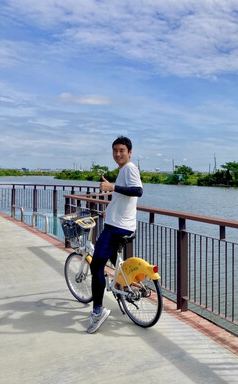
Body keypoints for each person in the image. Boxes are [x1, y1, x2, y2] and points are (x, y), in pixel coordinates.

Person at [87, 136, 143, 334]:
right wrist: (110, 208)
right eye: (115, 150)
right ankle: (126, 284)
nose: (118, 154)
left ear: (130, 152)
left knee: (96, 266)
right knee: (112, 259)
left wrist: (112, 187)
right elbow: (124, 198)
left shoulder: (129, 168)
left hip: (117, 228)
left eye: (121, 150)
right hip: (120, 224)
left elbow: (138, 191)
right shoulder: (123, 171)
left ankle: (97, 311)